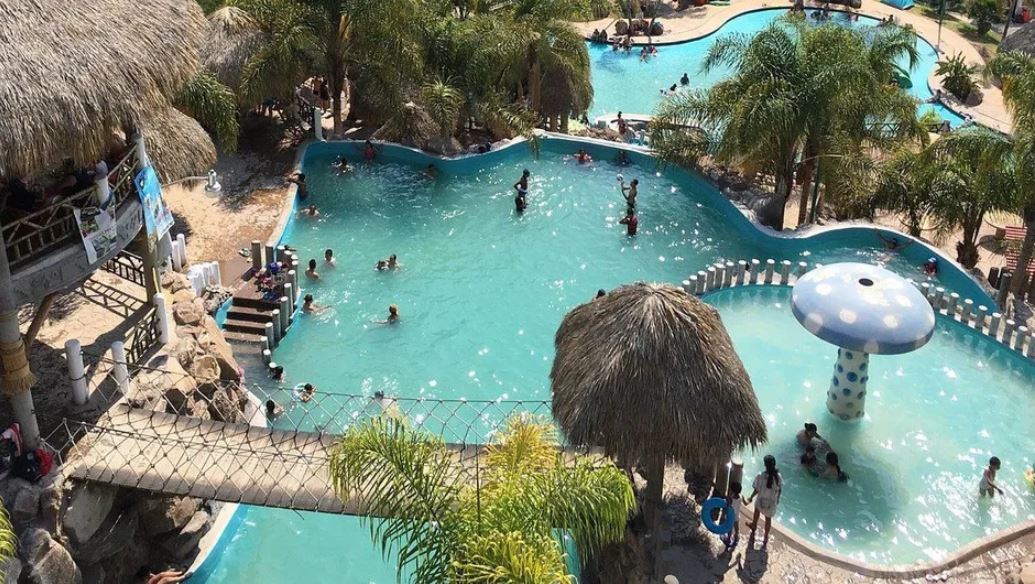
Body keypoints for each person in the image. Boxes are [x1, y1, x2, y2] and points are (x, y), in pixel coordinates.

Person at [746, 455, 781, 550]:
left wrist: (751, 497)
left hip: (761, 500)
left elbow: (757, 489)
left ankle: (754, 525)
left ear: (765, 465)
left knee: (756, 511)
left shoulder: (761, 476)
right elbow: (779, 489)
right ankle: (766, 536)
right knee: (768, 519)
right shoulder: (778, 477)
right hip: (771, 504)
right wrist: (777, 499)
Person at [719, 482, 743, 552]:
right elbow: (746, 503)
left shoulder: (730, 499)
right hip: (737, 516)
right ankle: (736, 537)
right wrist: (749, 500)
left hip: (730, 517)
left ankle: (729, 539)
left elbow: (726, 507)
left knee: (730, 529)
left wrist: (723, 516)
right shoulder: (741, 497)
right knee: (736, 528)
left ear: (732, 491)